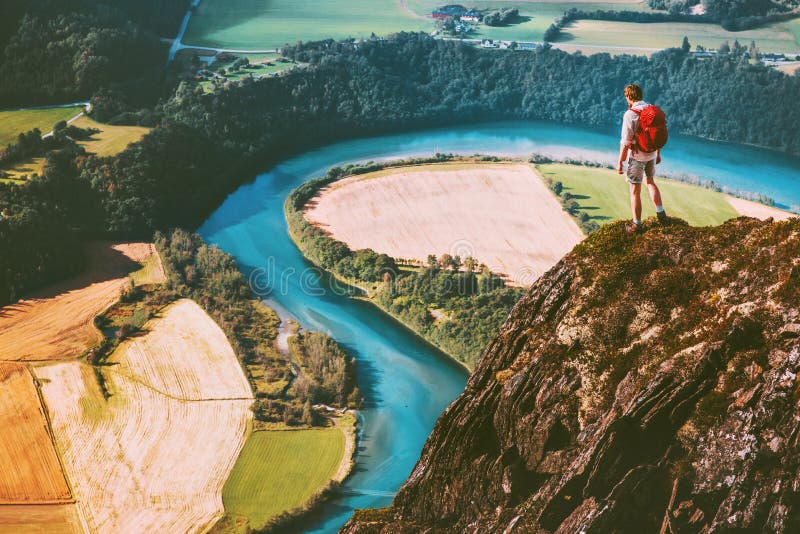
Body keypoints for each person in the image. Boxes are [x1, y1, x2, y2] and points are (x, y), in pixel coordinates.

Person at [617, 83, 669, 233]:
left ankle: (636, 225)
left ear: (628, 97)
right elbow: (657, 134)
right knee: (650, 182)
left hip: (636, 157)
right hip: (652, 154)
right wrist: (658, 154)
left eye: (626, 97)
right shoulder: (651, 109)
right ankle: (661, 214)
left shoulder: (630, 114)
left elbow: (625, 141)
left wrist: (620, 162)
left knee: (635, 190)